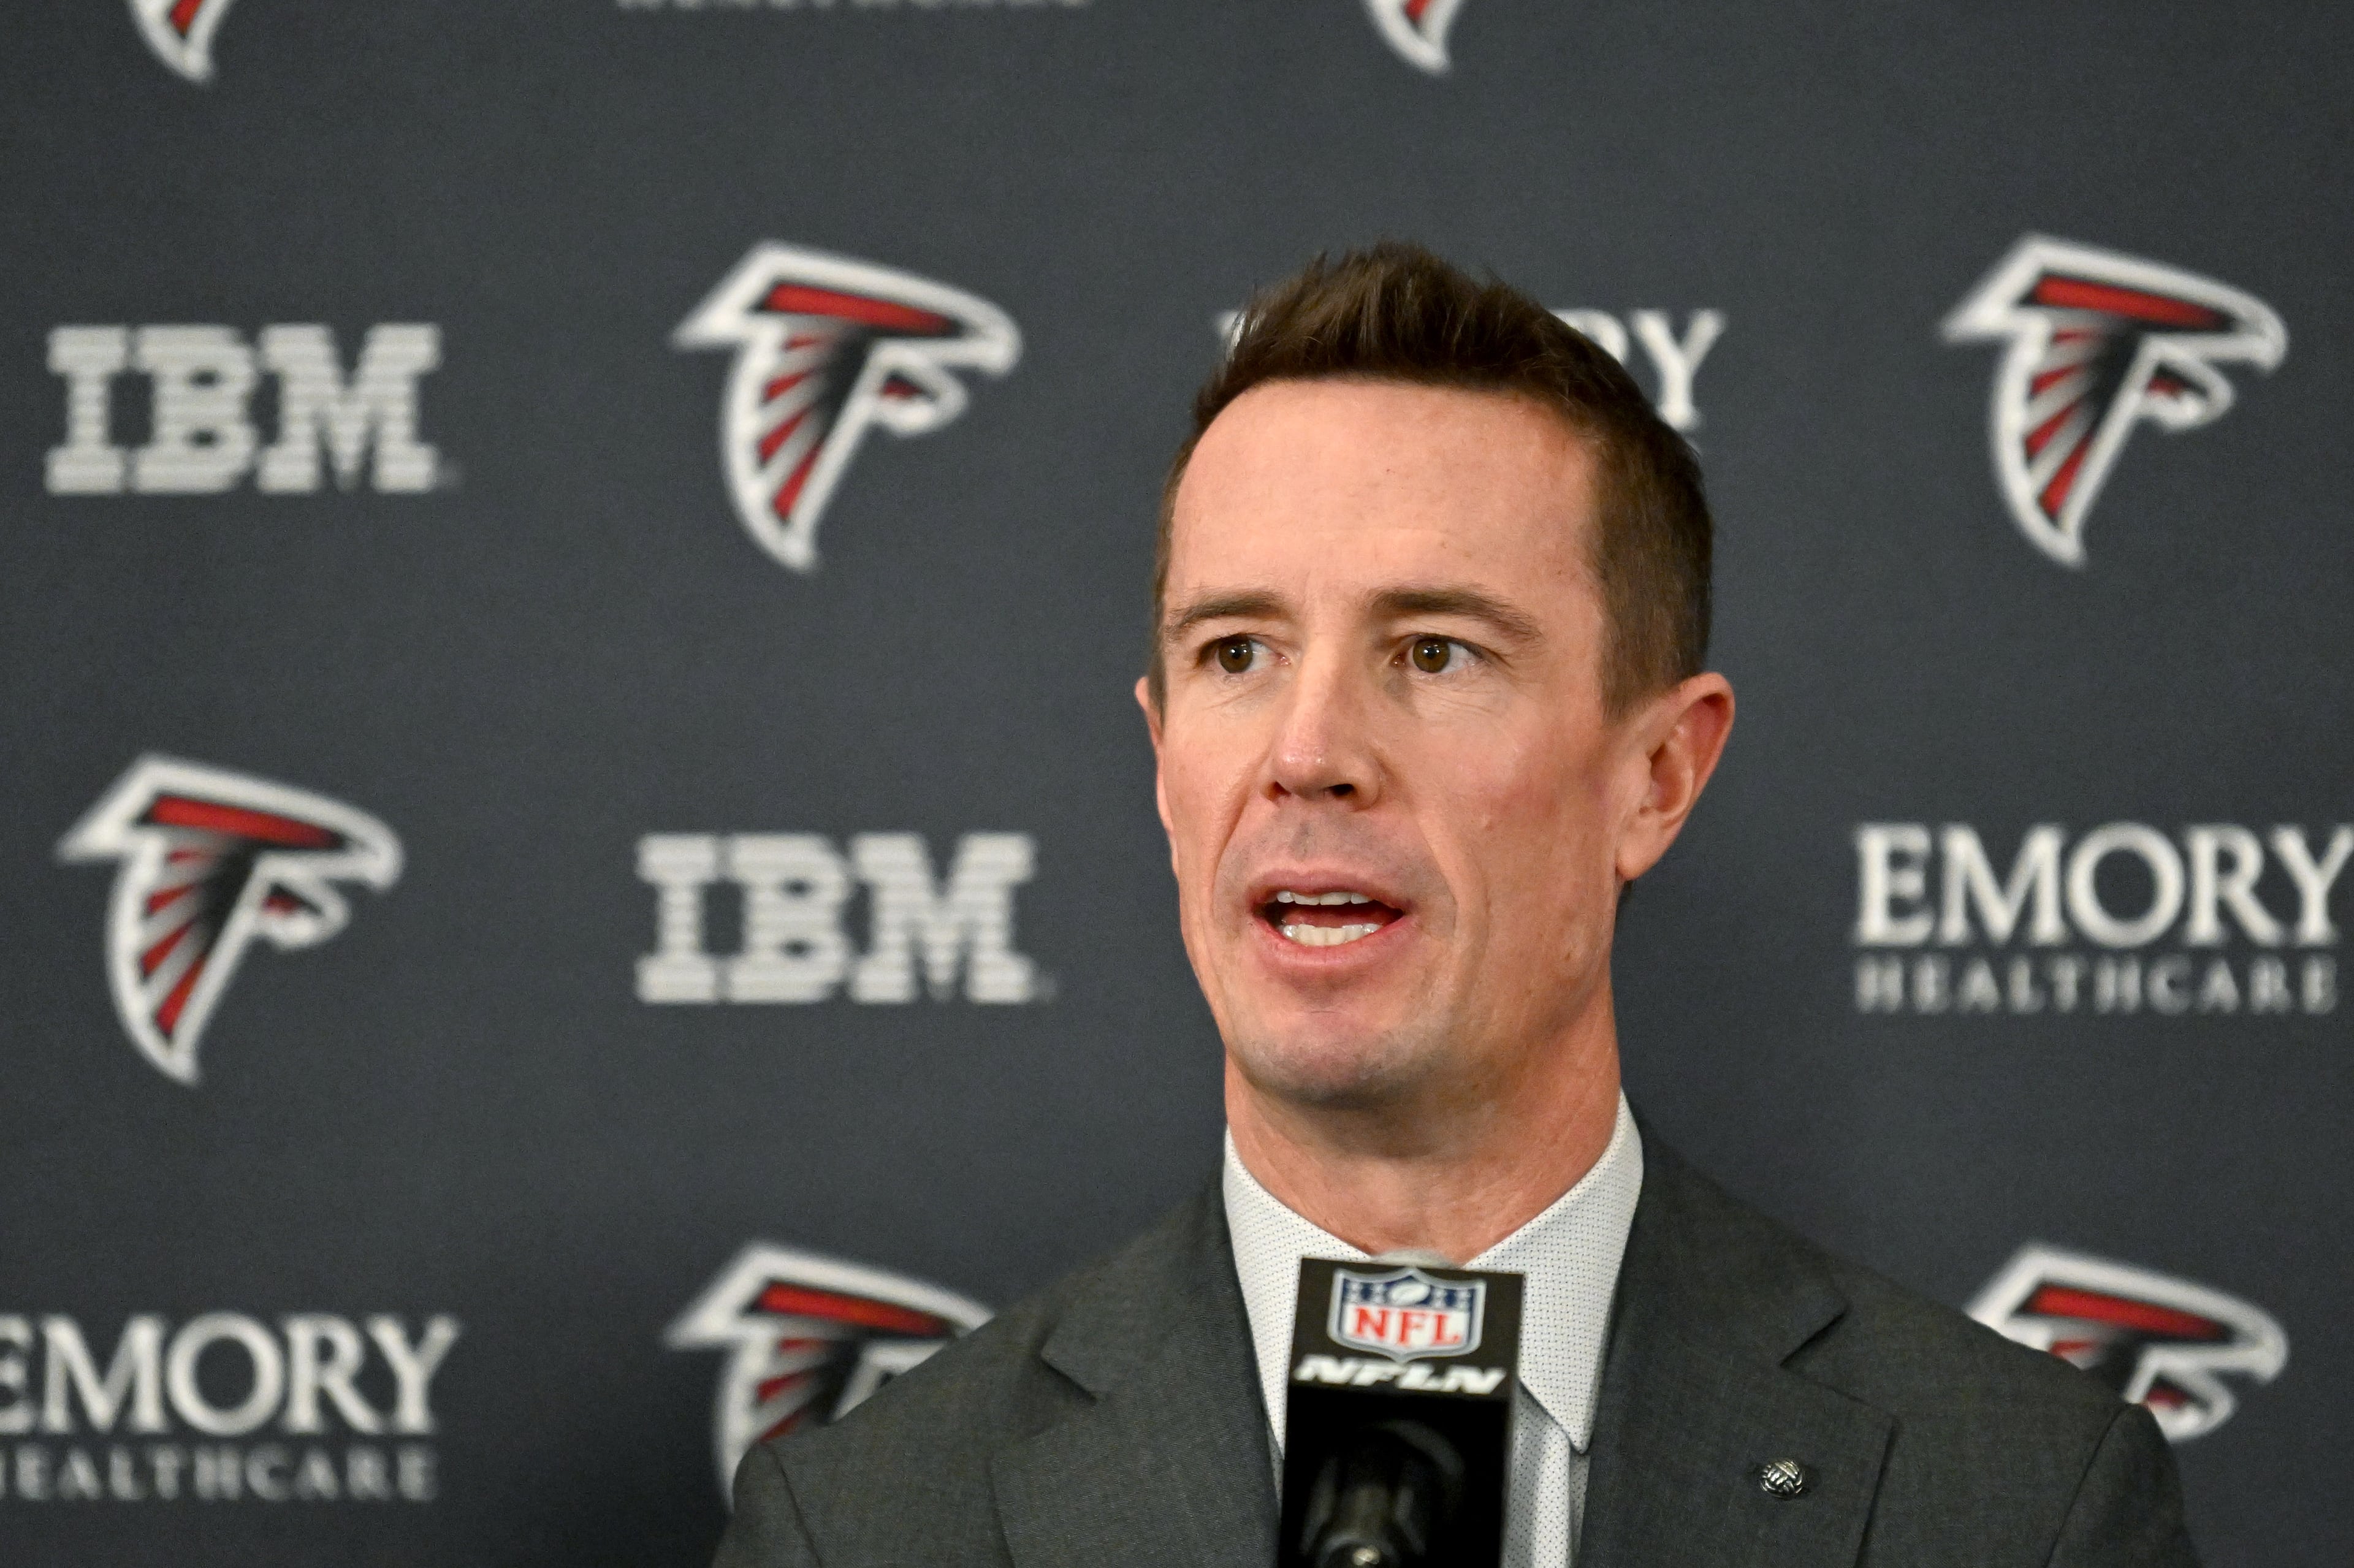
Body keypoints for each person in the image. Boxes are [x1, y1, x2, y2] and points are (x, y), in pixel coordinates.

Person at [712, 243, 2197, 1568]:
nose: (1309, 753)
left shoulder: (2019, 1503)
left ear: (1659, 774)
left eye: (1433, 652)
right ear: (1164, 762)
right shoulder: (868, 1526)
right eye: (1238, 652)